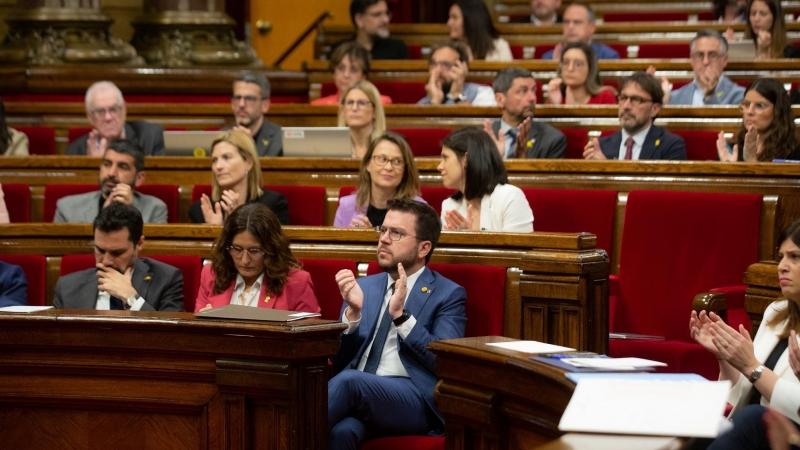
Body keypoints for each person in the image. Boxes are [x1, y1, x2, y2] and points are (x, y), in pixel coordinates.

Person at [329, 198, 467, 448]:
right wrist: (353, 315)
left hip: (412, 399)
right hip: (360, 394)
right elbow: (338, 360)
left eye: (396, 233)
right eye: (383, 230)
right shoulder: (363, 287)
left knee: (350, 381)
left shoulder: (448, 294)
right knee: (342, 432)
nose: (383, 238)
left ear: (423, 248)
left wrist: (402, 317)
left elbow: (447, 363)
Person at [691, 219, 800, 449]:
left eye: (795, 257)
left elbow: (759, 378)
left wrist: (752, 366)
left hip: (789, 435)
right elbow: (746, 392)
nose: (782, 266)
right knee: (694, 417)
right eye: (781, 256)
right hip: (753, 429)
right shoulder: (775, 312)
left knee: (753, 418)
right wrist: (726, 356)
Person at [53, 202, 184, 311]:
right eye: (100, 250)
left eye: (117, 253)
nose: (106, 261)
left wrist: (131, 298)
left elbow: (171, 338)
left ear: (139, 244)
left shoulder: (166, 279)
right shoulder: (67, 287)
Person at [194, 203, 320, 313]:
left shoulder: (297, 282)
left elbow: (311, 338)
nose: (244, 260)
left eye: (254, 251)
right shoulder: (211, 275)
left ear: (271, 248)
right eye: (237, 249)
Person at [439, 127, 534, 232]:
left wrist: (471, 238)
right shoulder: (449, 206)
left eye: (445, 158)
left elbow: (517, 248)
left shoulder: (510, 198)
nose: (439, 166)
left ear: (466, 159)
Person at [188, 130, 289, 225]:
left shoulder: (272, 205)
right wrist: (213, 231)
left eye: (226, 157)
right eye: (214, 160)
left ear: (248, 163)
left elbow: (274, 243)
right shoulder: (200, 210)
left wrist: (232, 225)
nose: (218, 166)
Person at [54, 139, 168, 223]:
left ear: (139, 178)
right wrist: (104, 216)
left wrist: (128, 212)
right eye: (107, 164)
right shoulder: (67, 208)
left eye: (123, 167)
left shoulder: (155, 209)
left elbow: (147, 251)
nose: (111, 173)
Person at [583, 71, 687, 161]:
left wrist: (607, 169)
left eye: (636, 99)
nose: (626, 106)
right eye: (623, 98)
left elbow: (659, 184)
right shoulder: (602, 146)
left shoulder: (671, 146)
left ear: (654, 109)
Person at [334, 131, 426, 229]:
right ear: (368, 165)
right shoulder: (346, 206)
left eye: (397, 161)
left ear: (405, 170)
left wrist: (370, 237)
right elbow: (335, 244)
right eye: (382, 159)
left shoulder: (419, 210)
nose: (388, 167)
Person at [483, 67, 566, 159]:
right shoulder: (484, 139)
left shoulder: (552, 139)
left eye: (534, 90)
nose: (532, 98)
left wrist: (522, 160)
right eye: (523, 91)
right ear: (500, 100)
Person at [65, 81, 165, 156]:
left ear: (124, 110)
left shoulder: (151, 138)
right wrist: (94, 165)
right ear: (90, 117)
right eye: (100, 111)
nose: (108, 117)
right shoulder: (75, 151)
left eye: (113, 109)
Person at [717, 78, 799, 162]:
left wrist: (751, 161)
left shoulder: (794, 152)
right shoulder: (732, 149)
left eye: (759, 105)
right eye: (746, 104)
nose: (749, 111)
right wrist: (728, 168)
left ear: (778, 111)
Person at [662, 30, 745, 106]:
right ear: (692, 60)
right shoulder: (674, 98)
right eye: (700, 55)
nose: (705, 61)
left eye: (712, 55)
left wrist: (710, 97)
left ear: (725, 60)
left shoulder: (740, 96)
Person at [418, 41, 496, 106]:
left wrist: (457, 95)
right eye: (434, 63)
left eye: (446, 64)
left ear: (462, 68)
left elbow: (478, 123)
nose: (438, 71)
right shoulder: (424, 103)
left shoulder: (482, 94)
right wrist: (435, 101)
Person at [311, 42, 392, 106]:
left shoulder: (379, 104)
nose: (346, 75)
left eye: (353, 70)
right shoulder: (317, 106)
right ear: (333, 73)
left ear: (364, 76)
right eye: (341, 68)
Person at [225, 71, 283, 157]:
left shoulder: (280, 140)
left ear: (265, 105)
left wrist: (250, 148)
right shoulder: (222, 136)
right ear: (232, 103)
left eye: (249, 98)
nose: (241, 104)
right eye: (237, 98)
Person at [331, 0, 409, 60]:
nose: (386, 19)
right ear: (359, 19)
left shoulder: (398, 49)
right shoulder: (339, 50)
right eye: (377, 14)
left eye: (386, 13)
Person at [546, 42, 617, 106]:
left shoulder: (604, 97)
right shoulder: (556, 95)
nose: (570, 68)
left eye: (578, 64)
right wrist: (555, 105)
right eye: (565, 63)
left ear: (590, 69)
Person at [542, 3, 619, 61]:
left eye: (577, 22)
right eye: (566, 22)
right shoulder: (549, 58)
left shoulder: (608, 56)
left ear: (592, 27)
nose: (570, 27)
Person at [447, 0, 512, 62]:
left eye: (454, 17)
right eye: (450, 17)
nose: (449, 23)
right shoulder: (448, 49)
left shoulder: (500, 48)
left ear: (471, 21)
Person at [338, 80, 387, 159]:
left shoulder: (388, 147)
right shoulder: (332, 147)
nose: (354, 108)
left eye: (362, 103)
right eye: (350, 102)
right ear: (343, 110)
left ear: (375, 111)